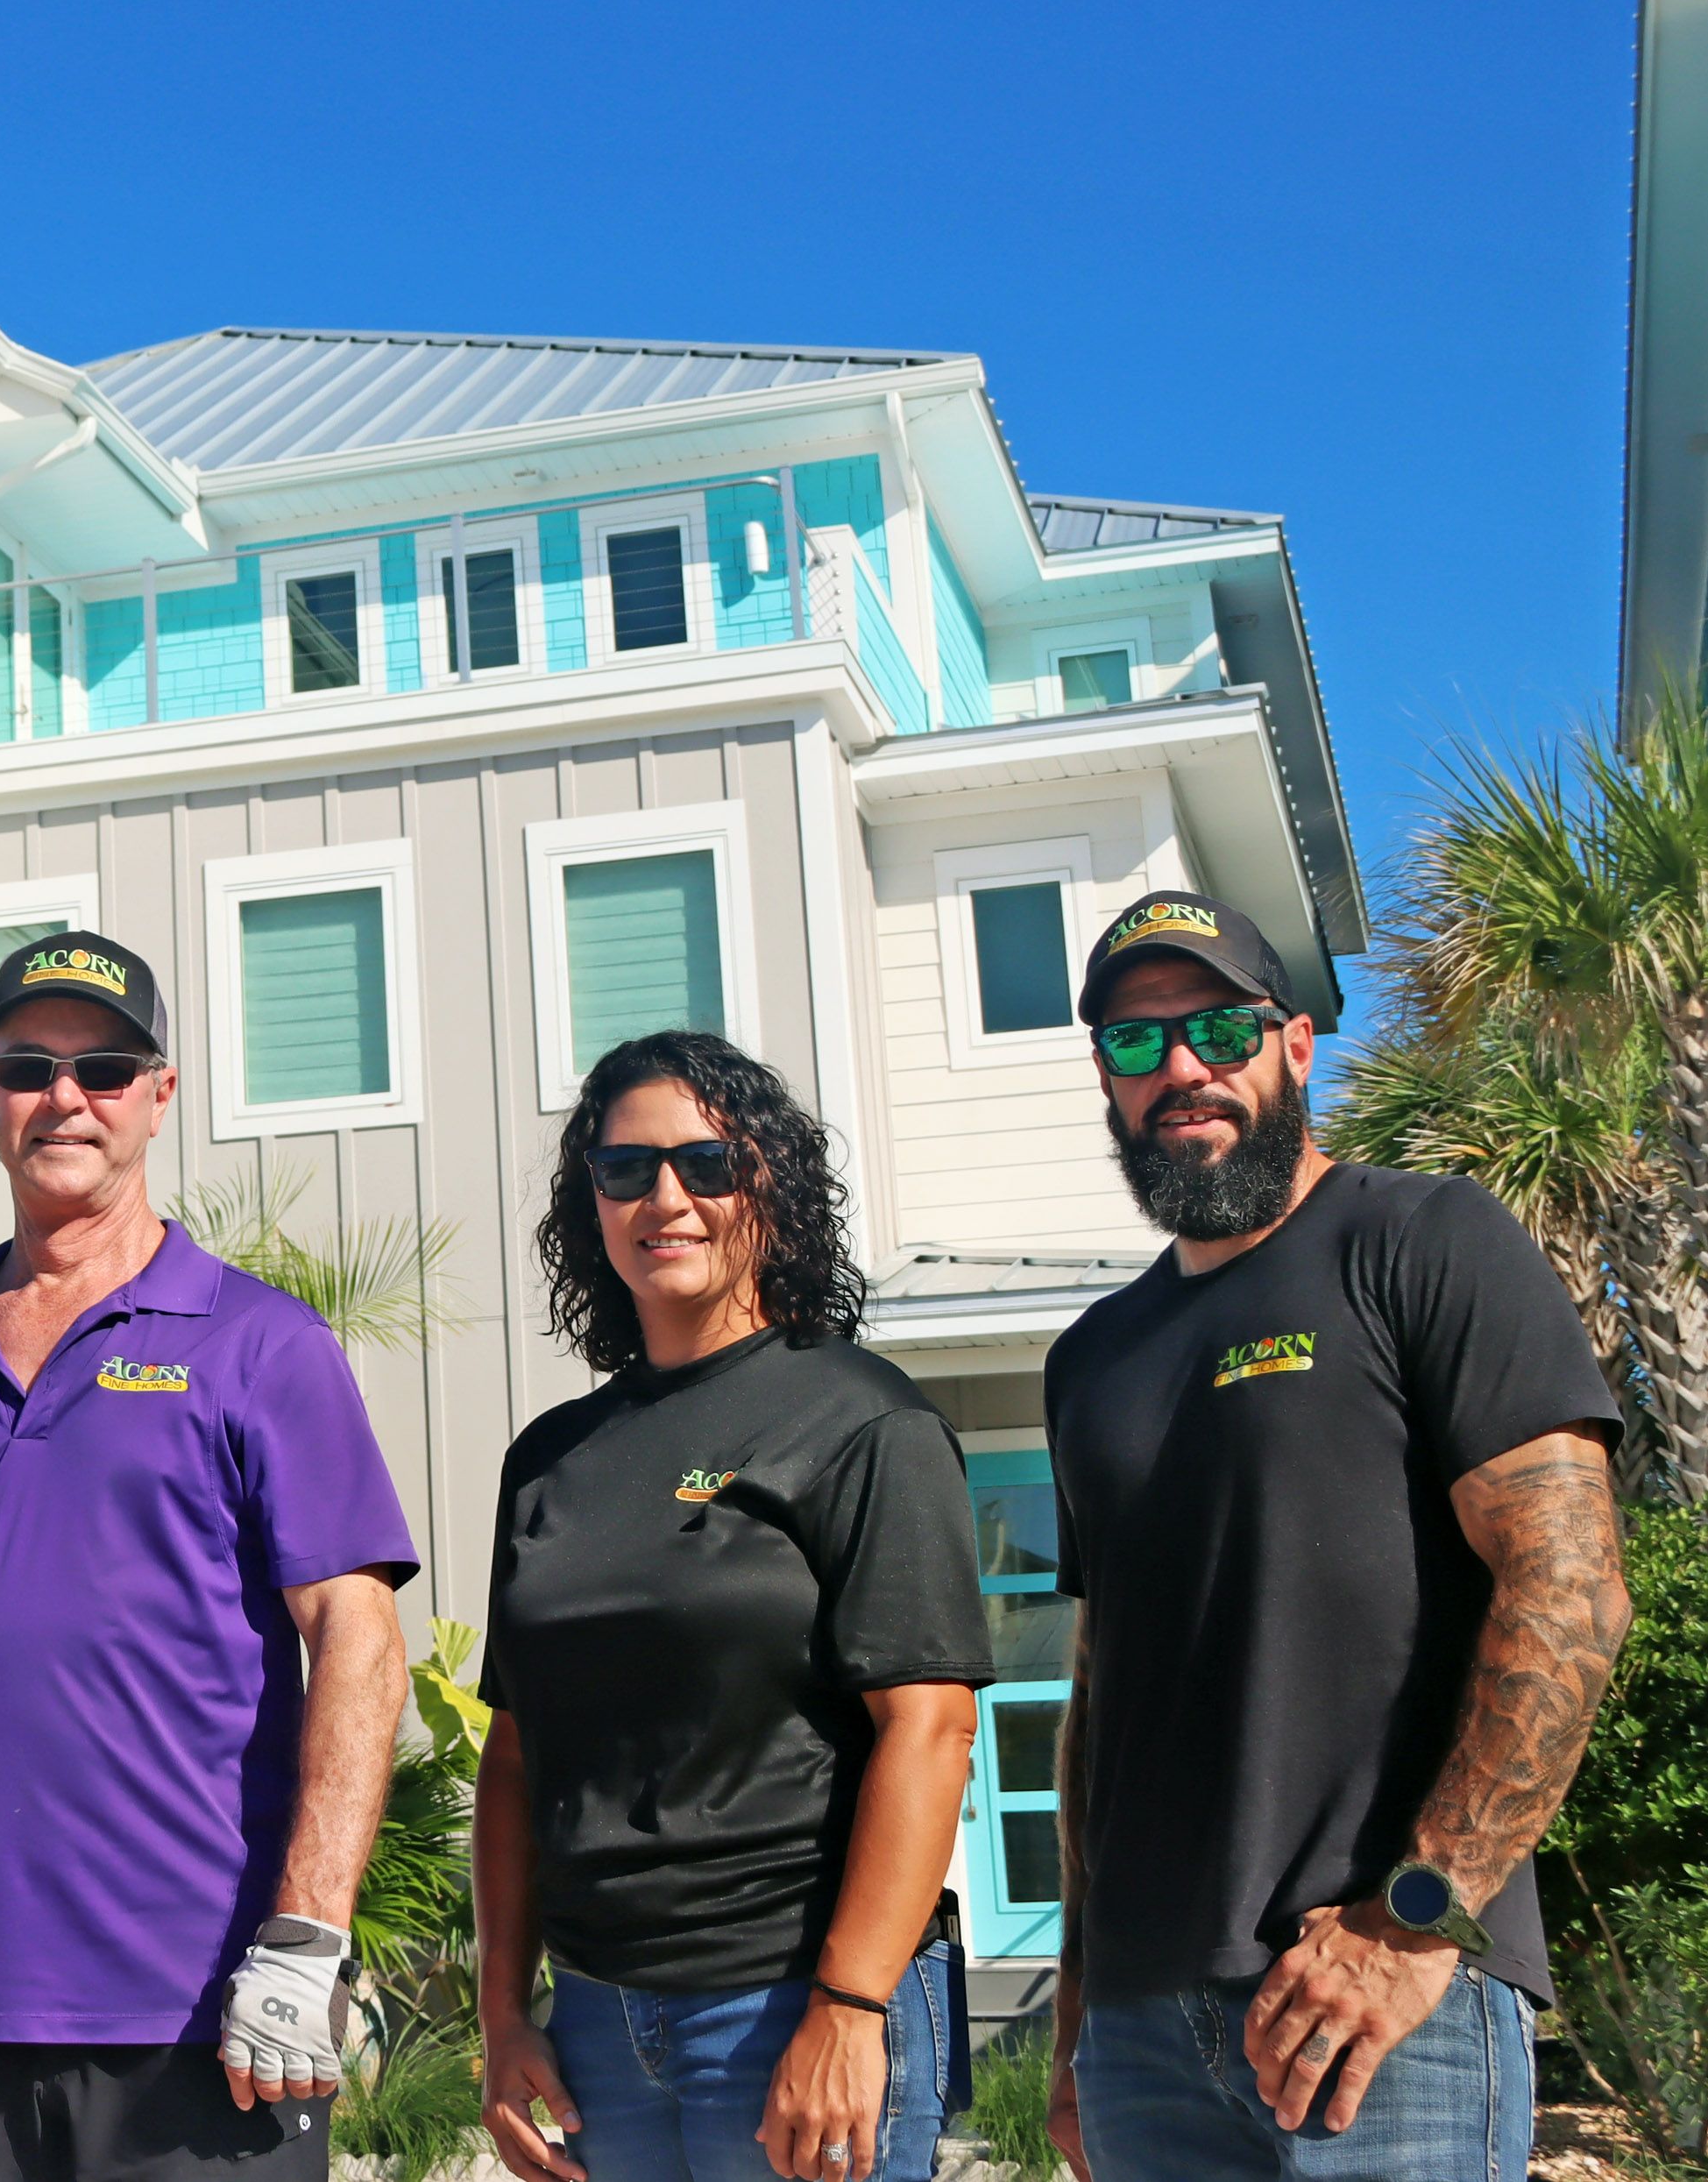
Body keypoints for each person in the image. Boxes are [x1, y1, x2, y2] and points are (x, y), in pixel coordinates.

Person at [0, 929, 418, 2182]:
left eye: (107, 1066)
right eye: (27, 1064)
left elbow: (358, 1637)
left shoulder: (259, 1343)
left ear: (159, 1093)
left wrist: (307, 1933)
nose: (66, 1095)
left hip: (212, 2017)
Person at [1044, 890, 1628, 2181]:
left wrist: (1418, 1918)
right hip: (1141, 2028)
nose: (1182, 1069)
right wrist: (1079, 2002)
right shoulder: (1090, 1358)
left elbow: (1571, 1584)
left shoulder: (1422, 1239)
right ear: (1105, 1077)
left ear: (1295, 1043)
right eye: (1137, 1044)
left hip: (1378, 2004)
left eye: (1218, 1028)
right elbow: (1101, 1691)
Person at [473, 1030, 989, 2182]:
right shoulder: (551, 1457)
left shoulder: (861, 1421)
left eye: (707, 1163)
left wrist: (852, 2004)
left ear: (770, 1182)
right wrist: (505, 2015)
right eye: (623, 1170)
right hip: (594, 2030)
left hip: (794, 2004)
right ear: (589, 1205)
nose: (665, 1196)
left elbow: (930, 1725)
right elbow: (516, 1750)